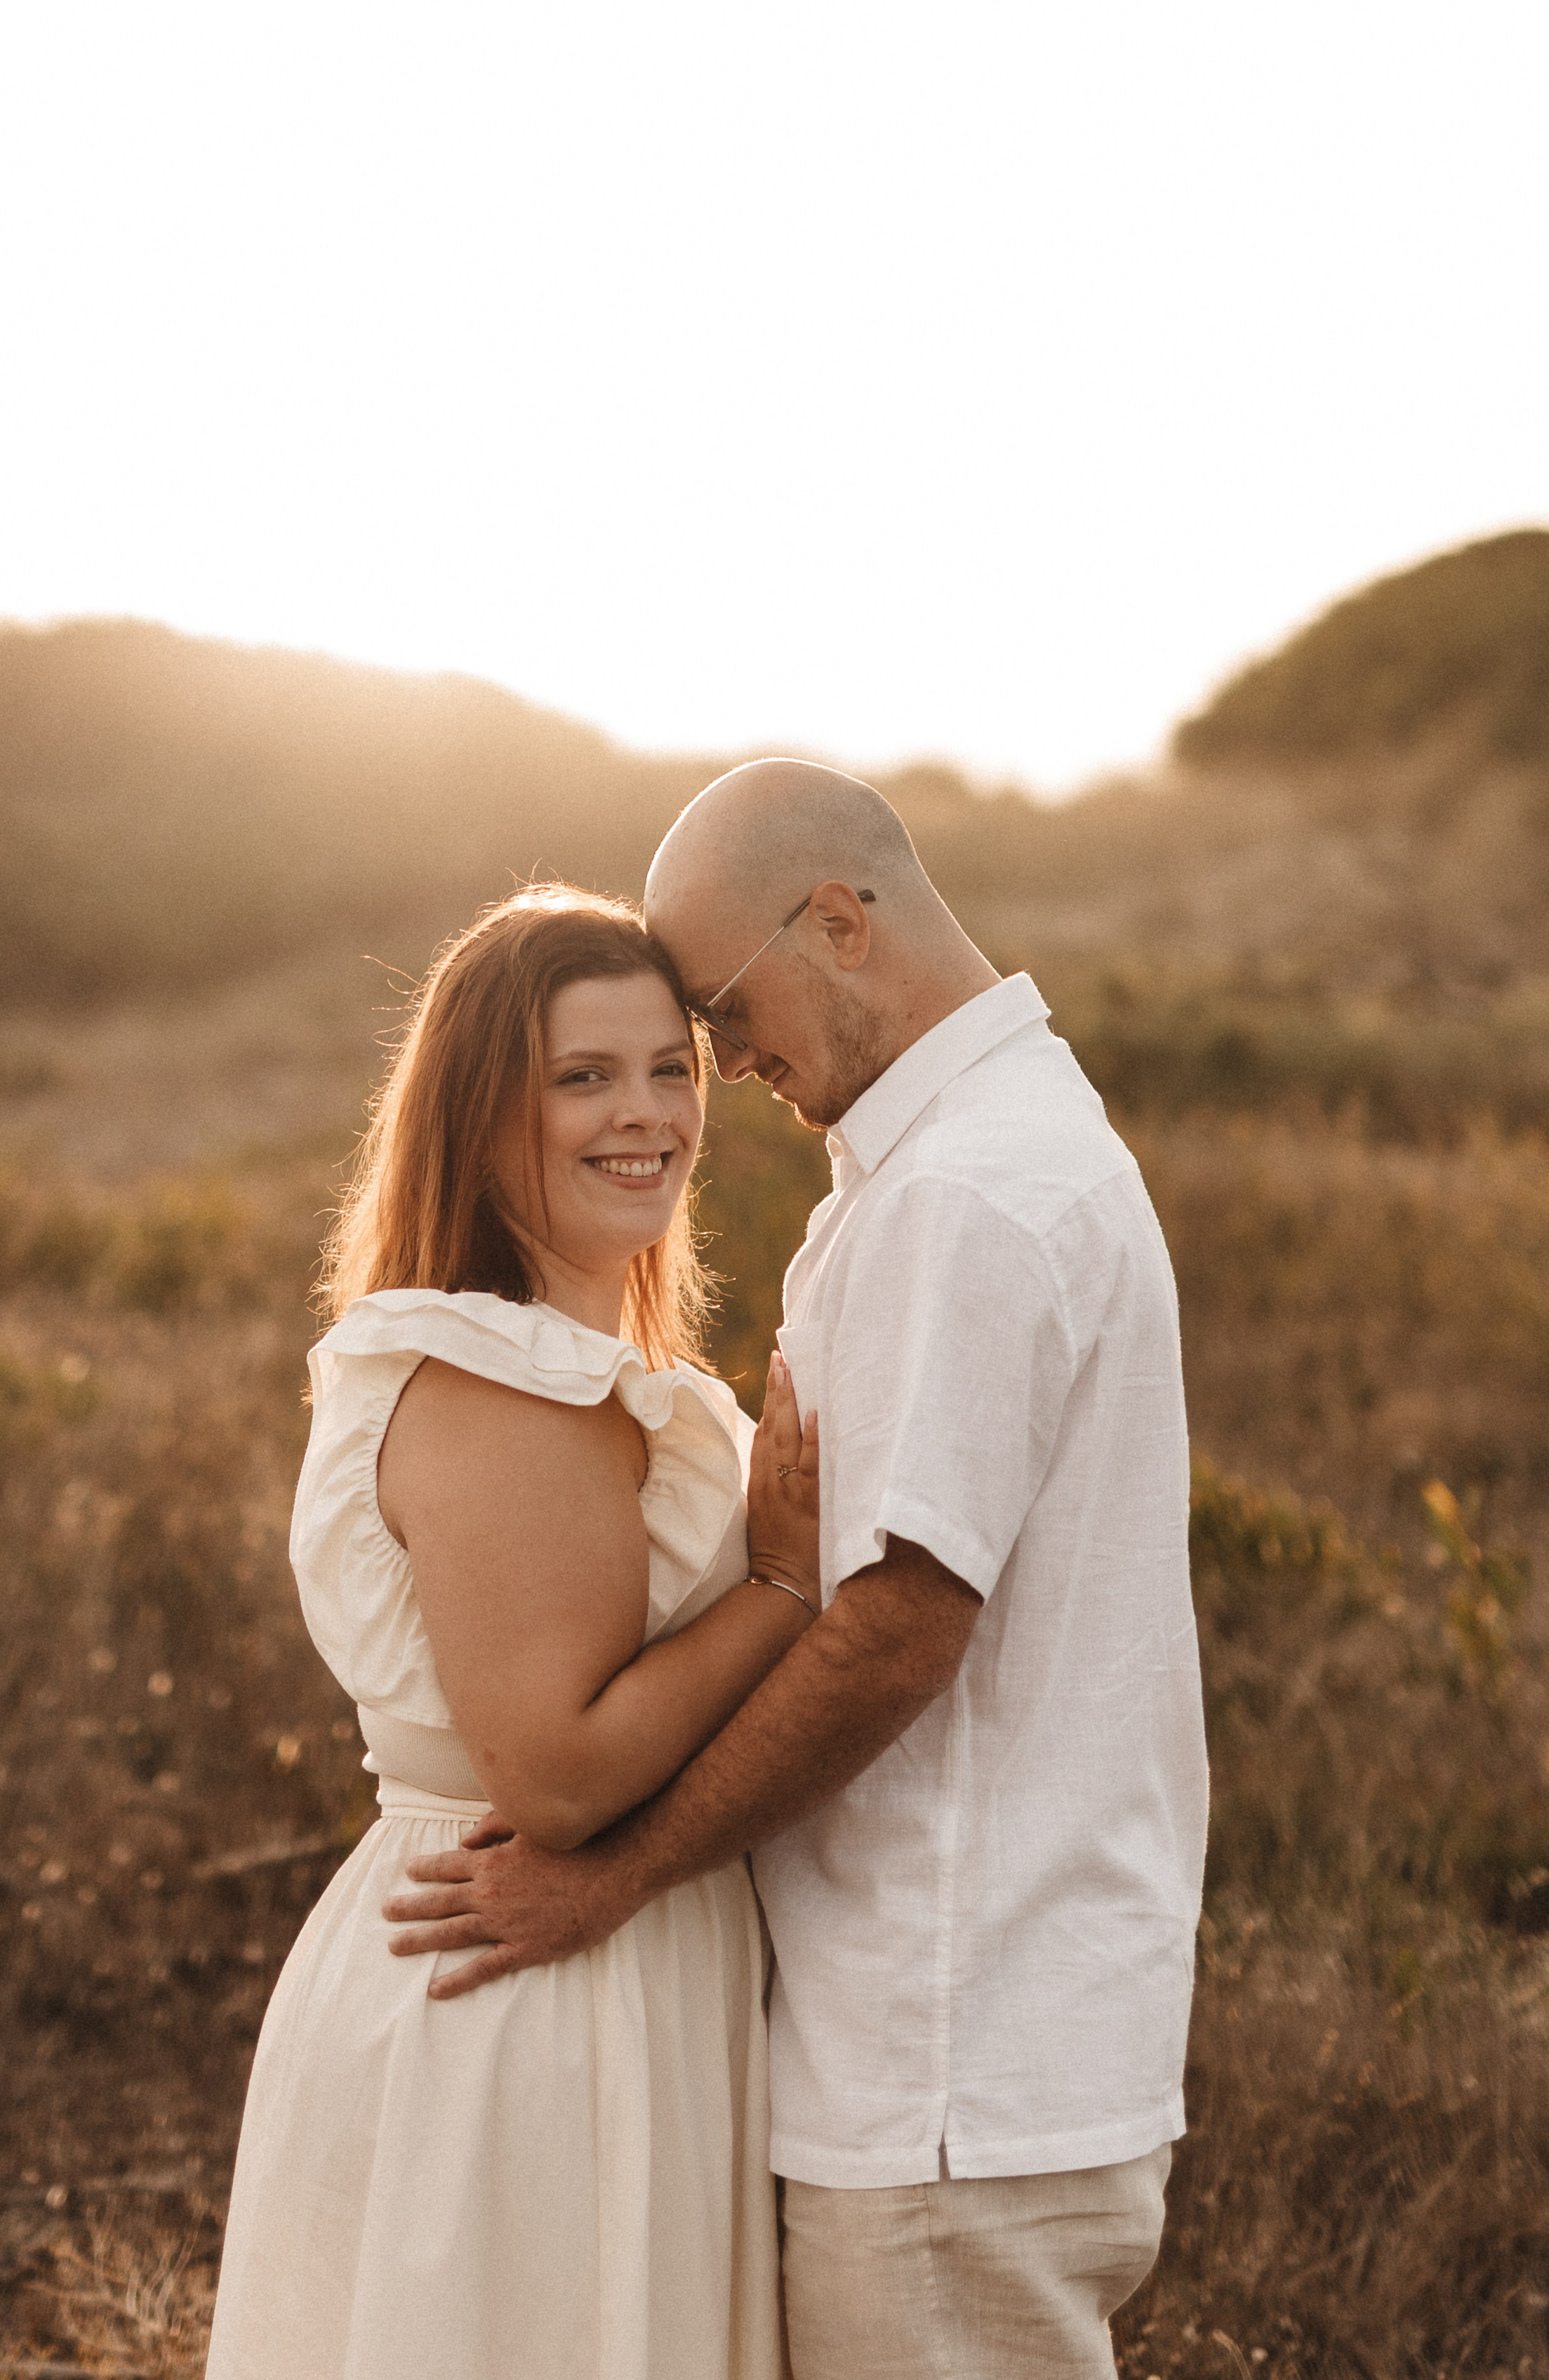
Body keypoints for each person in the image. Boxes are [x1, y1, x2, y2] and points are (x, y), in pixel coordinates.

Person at [386, 760, 1211, 2380]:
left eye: (718, 1008)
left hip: (945, 2063)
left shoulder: (964, 1195)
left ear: (836, 921)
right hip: (947, 2050)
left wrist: (614, 1875)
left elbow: (899, 1631)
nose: (717, 1060)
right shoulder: (965, 1156)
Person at [204, 885, 818, 2380]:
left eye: (668, 1067)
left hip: (582, 1961)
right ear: (482, 1117)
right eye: (580, 1078)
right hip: (529, 1990)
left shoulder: (564, 1360)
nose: (647, 1115)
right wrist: (784, 1591)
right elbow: (552, 1772)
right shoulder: (500, 1383)